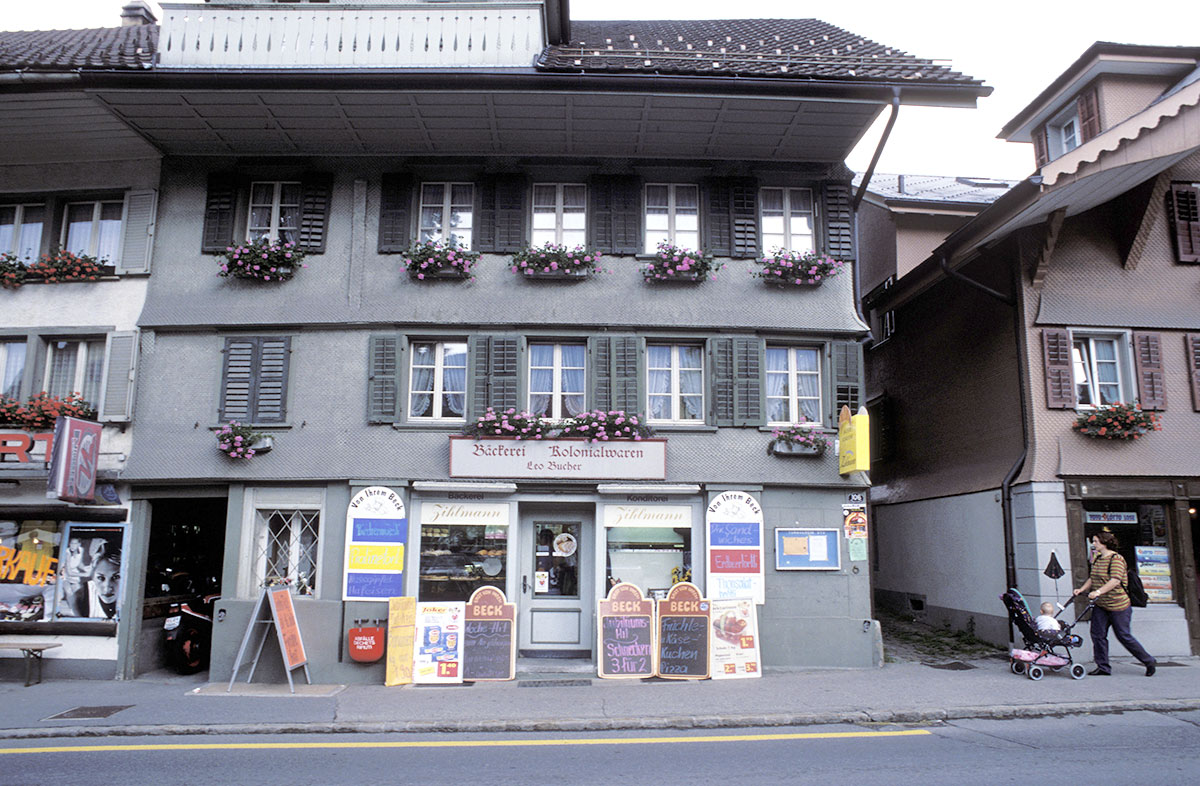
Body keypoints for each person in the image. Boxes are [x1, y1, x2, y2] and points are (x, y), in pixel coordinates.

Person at [1073, 531, 1156, 677]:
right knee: (1097, 635)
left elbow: (1115, 580)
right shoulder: (1097, 558)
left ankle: (1148, 660)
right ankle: (1103, 667)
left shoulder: (1116, 559)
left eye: (1096, 541)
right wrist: (1082, 589)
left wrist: (1098, 592)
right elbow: (1093, 577)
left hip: (1119, 605)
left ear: (1104, 543)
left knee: (1124, 635)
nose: (1093, 544)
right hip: (1102, 605)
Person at [88, 547, 121, 620]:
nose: (107, 587)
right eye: (100, 578)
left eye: (116, 577)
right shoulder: (81, 594)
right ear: (92, 577)